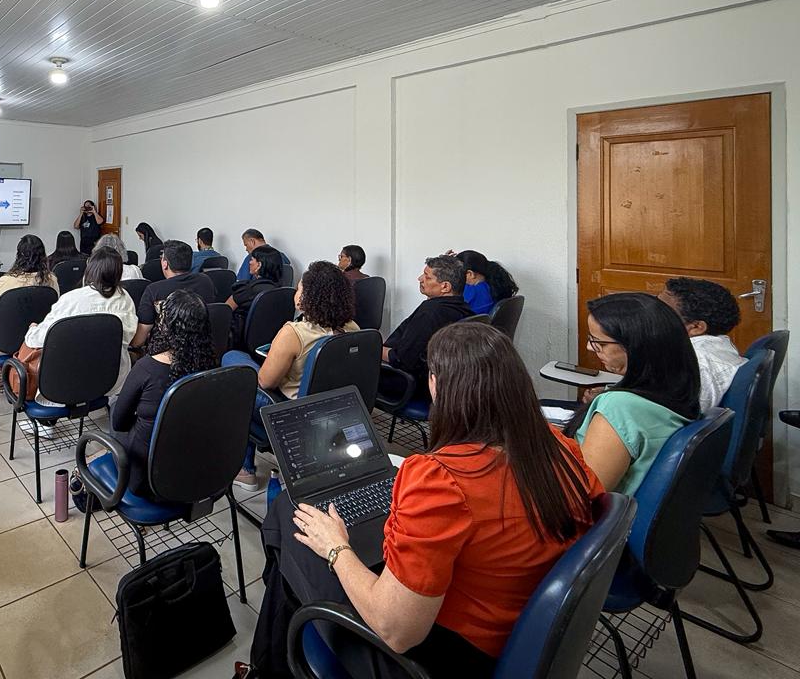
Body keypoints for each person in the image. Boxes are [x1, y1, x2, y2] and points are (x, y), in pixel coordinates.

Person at [251, 323, 602, 679]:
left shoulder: (439, 481)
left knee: (291, 521)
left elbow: (396, 632)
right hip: (519, 633)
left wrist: (336, 548)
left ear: (437, 384)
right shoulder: (560, 448)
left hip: (438, 658)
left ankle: (267, 664)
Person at [224, 260, 360, 490]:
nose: (296, 293)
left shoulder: (294, 333)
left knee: (234, 364)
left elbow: (265, 381)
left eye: (299, 289)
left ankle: (246, 470)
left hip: (292, 413)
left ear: (306, 298)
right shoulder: (353, 328)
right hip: (334, 411)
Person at [569, 293, 700, 495]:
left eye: (600, 343)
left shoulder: (618, 407)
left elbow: (581, 495)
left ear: (637, 347)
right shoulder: (674, 390)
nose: (590, 347)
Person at [111, 290, 219, 496]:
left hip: (146, 479)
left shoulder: (146, 368)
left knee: (116, 406)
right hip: (193, 472)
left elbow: (119, 424)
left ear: (165, 325)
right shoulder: (212, 366)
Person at [23, 245, 138, 402]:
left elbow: (38, 340)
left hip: (66, 383)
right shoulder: (126, 299)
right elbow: (129, 337)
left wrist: (32, 330)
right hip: (112, 381)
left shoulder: (71, 300)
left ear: (89, 267)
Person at [381, 256, 472, 399]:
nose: (420, 279)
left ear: (445, 287)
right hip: (441, 380)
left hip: (408, 383)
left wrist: (373, 349)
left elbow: (400, 359)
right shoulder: (463, 308)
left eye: (427, 277)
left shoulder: (430, 313)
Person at [658, 277, 746, 411]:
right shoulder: (719, 346)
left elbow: (661, 415)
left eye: (662, 311)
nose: (650, 312)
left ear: (696, 327)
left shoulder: (692, 363)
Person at [0, 234, 59, 365]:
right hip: (38, 340)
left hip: (5, 343)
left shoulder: (7, 281)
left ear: (19, 255)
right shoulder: (52, 279)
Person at [131, 240, 219, 348]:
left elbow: (139, 340)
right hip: (201, 346)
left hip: (167, 351)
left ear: (165, 264)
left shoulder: (154, 290)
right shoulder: (206, 281)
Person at [226, 244, 284, 350]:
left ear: (259, 265)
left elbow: (225, 309)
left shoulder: (248, 290)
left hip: (240, 344)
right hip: (269, 343)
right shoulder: (281, 290)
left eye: (252, 259)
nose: (249, 262)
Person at [453, 250, 519, 316]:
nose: (454, 277)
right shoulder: (494, 286)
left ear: (470, 274)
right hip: (483, 322)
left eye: (456, 274)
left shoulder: (471, 291)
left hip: (467, 322)